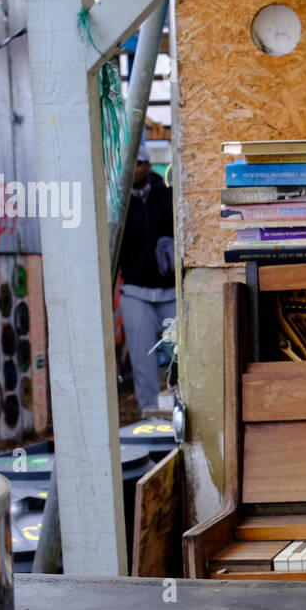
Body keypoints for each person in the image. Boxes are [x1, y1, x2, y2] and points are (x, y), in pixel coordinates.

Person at [119, 145, 176, 413]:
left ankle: (183, 413)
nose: (136, 169)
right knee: (143, 361)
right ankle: (149, 417)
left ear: (147, 165)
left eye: (140, 164)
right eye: (132, 164)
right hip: (135, 292)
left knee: (182, 358)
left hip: (169, 291)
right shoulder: (116, 201)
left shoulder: (167, 195)